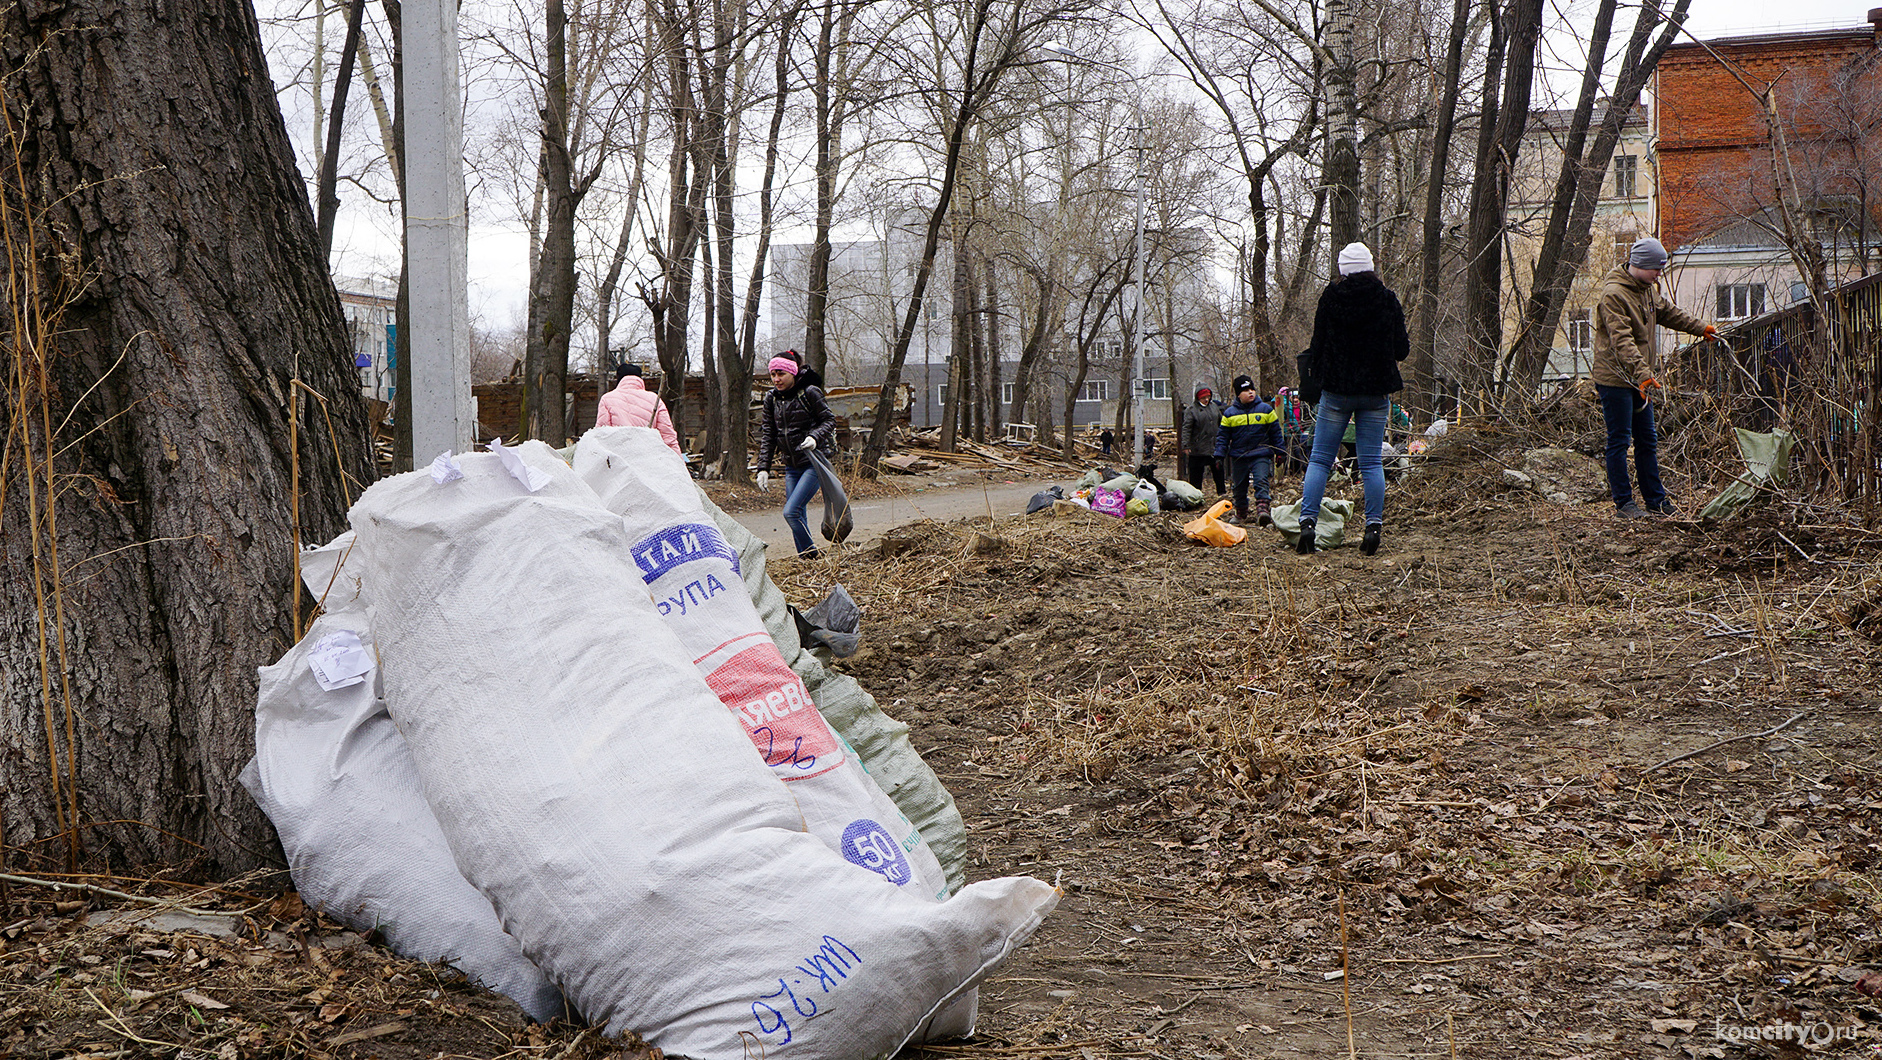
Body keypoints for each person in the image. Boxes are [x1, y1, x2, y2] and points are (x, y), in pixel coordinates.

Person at [1296, 242, 1409, 557]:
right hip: (1375, 392)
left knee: (1320, 459)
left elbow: (1316, 346)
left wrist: (1320, 377)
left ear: (1343, 269)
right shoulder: (1387, 300)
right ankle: (1373, 528)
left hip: (1336, 392)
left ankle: (1307, 524)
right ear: (1371, 266)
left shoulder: (1331, 299)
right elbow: (1402, 350)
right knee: (1371, 461)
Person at [1592, 236, 1716, 518]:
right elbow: (1621, 341)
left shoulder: (1647, 288)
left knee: (1647, 440)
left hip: (1640, 378)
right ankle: (1624, 504)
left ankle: (1656, 502)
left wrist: (1700, 328)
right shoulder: (1614, 294)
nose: (1660, 273)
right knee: (1620, 441)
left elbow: (1668, 312)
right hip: (1616, 378)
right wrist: (1643, 374)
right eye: (1656, 268)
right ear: (1641, 265)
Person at [756, 353, 838, 558]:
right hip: (791, 466)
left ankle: (811, 556)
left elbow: (829, 420)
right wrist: (763, 468)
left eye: (781, 374)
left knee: (790, 512)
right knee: (798, 514)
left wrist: (814, 437)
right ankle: (806, 561)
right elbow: (769, 435)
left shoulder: (810, 392)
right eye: (773, 374)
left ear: (792, 372)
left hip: (814, 462)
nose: (776, 379)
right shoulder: (771, 398)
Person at [1214, 375, 1282, 526]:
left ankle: (1263, 511)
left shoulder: (1266, 410)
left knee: (1261, 481)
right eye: (1245, 390)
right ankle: (1241, 512)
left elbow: (1276, 432)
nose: (1250, 392)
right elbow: (1223, 437)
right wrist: (1219, 455)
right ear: (1238, 394)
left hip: (1261, 453)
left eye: (1252, 389)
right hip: (1239, 455)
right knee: (1239, 486)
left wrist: (1280, 452)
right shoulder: (1230, 414)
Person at [594, 363, 683, 454]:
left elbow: (601, 435)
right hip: (649, 459)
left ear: (619, 378)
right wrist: (680, 465)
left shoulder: (607, 399)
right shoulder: (654, 399)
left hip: (620, 459)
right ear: (640, 378)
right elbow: (668, 437)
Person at [1179, 386, 1226, 496]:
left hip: (1213, 446)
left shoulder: (1214, 407)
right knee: (1196, 474)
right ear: (1198, 398)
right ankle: (1196, 495)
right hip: (1198, 447)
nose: (1206, 399)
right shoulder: (1191, 410)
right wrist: (1185, 445)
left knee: (1218, 472)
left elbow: (1222, 422)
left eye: (1208, 397)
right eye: (1203, 397)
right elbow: (1186, 428)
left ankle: (1222, 493)